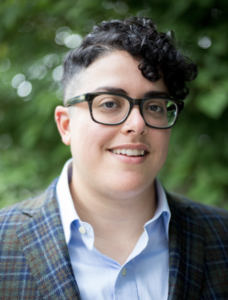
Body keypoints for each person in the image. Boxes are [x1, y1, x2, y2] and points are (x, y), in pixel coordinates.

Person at [0, 16, 228, 300]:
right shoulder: (2, 240)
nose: (138, 123)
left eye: (154, 106)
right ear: (66, 125)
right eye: (109, 103)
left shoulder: (222, 235)